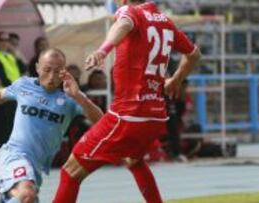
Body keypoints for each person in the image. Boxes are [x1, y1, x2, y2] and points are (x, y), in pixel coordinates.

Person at [52, 0, 201, 203]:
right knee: (134, 160)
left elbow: (123, 24)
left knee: (70, 172)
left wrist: (102, 51)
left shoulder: (130, 11)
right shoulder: (165, 20)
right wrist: (176, 79)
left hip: (129, 114)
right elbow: (194, 54)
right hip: (156, 116)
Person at [0, 48, 103, 203]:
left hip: (36, 166)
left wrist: (78, 97)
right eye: (47, 70)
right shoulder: (24, 85)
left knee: (27, 198)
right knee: (27, 195)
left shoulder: (71, 96)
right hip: (14, 154)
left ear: (64, 71)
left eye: (58, 71)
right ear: (37, 67)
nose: (51, 77)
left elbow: (102, 121)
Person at [0, 32, 22, 157]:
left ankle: (10, 156)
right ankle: (0, 157)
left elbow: (22, 69)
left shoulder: (10, 56)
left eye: (7, 41)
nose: (5, 43)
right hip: (4, 96)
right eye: (2, 40)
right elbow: (2, 77)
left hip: (14, 96)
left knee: (12, 128)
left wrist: (16, 54)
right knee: (2, 129)